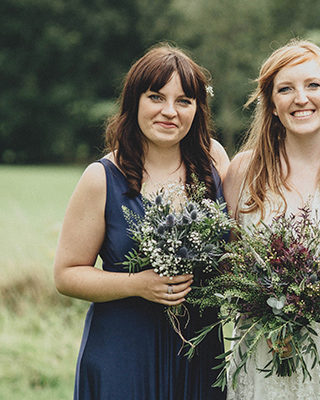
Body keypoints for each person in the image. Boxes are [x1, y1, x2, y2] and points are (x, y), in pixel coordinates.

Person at [54, 44, 229, 400]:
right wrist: (138, 284)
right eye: (156, 97)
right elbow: (66, 274)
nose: (170, 112)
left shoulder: (214, 162)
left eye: (184, 101)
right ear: (135, 101)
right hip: (124, 353)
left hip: (199, 351)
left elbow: (234, 249)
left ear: (198, 108)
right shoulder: (101, 177)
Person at [223, 39, 320, 399]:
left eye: (312, 85)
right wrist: (267, 301)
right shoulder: (244, 171)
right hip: (266, 354)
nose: (301, 98)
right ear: (273, 105)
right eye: (286, 89)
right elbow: (229, 265)